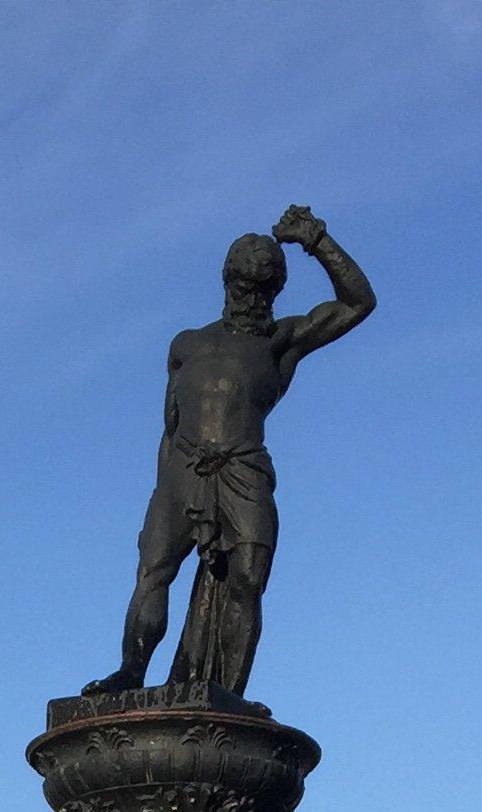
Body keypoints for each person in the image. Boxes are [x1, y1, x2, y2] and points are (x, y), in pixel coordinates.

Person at [85, 208, 375, 701]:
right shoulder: (187, 344)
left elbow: (358, 302)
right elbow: (170, 425)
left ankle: (228, 691)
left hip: (244, 469)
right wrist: (161, 496)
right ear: (227, 283)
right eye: (244, 289)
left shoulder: (282, 340)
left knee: (246, 578)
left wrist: (316, 240)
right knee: (154, 570)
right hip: (182, 468)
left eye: (262, 292)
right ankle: (130, 673)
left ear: (276, 292)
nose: (252, 301)